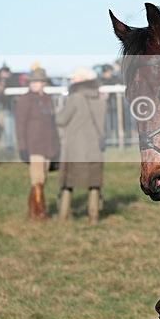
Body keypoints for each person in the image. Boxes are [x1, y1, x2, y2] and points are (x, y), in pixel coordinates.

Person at [55, 66, 106, 223]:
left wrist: (58, 109)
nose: (71, 80)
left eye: (74, 78)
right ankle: (94, 216)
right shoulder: (100, 99)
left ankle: (63, 216)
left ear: (82, 79)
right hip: (94, 148)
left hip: (75, 148)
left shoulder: (75, 98)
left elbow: (60, 120)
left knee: (68, 183)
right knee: (94, 183)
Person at [15, 67, 60, 220]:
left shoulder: (48, 99)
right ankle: (40, 212)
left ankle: (33, 211)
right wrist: (22, 147)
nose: (34, 84)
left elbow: (53, 124)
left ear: (43, 83)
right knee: (37, 178)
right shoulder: (25, 100)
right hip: (33, 144)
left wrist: (57, 146)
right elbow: (20, 125)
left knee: (43, 178)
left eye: (37, 81)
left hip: (48, 144)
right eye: (32, 81)